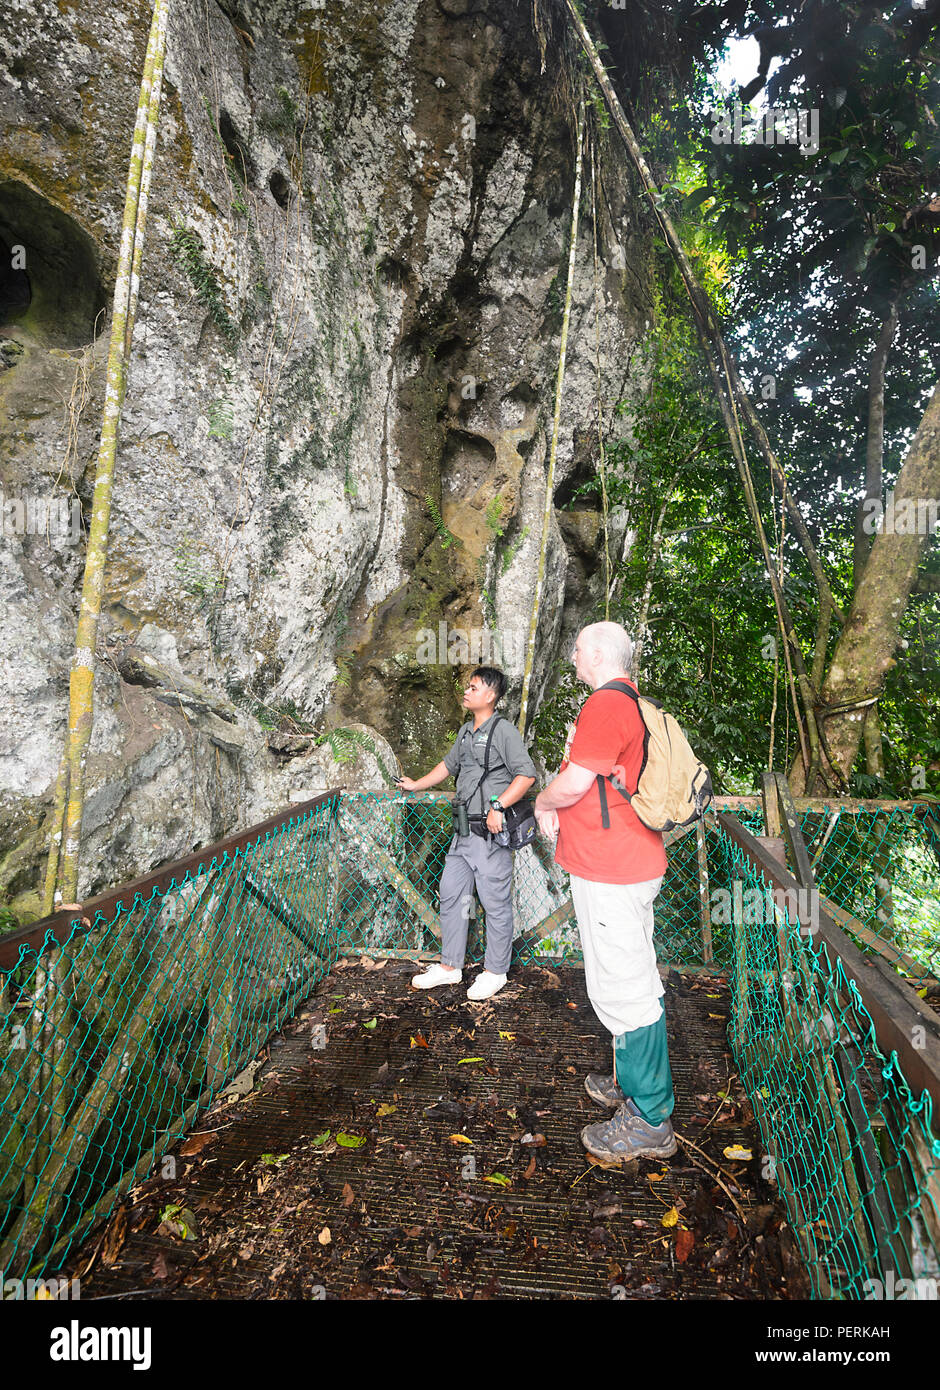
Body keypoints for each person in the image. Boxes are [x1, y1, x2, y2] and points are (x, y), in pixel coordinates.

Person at [533, 622, 676, 1161]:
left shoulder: (605, 705)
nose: (571, 656)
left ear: (594, 653)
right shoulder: (634, 705)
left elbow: (572, 784)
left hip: (613, 870)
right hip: (627, 863)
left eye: (575, 649)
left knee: (626, 988)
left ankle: (649, 1118)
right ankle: (631, 1079)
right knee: (628, 972)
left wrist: (543, 805)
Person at [396, 666, 536, 1001]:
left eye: (474, 688)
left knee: (494, 903)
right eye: (467, 687)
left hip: (489, 833)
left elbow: (526, 775)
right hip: (461, 830)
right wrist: (416, 784)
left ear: (490, 695)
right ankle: (450, 967)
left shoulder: (503, 731)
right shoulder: (465, 732)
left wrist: (499, 806)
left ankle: (495, 971)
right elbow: (448, 767)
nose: (467, 691)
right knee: (452, 895)